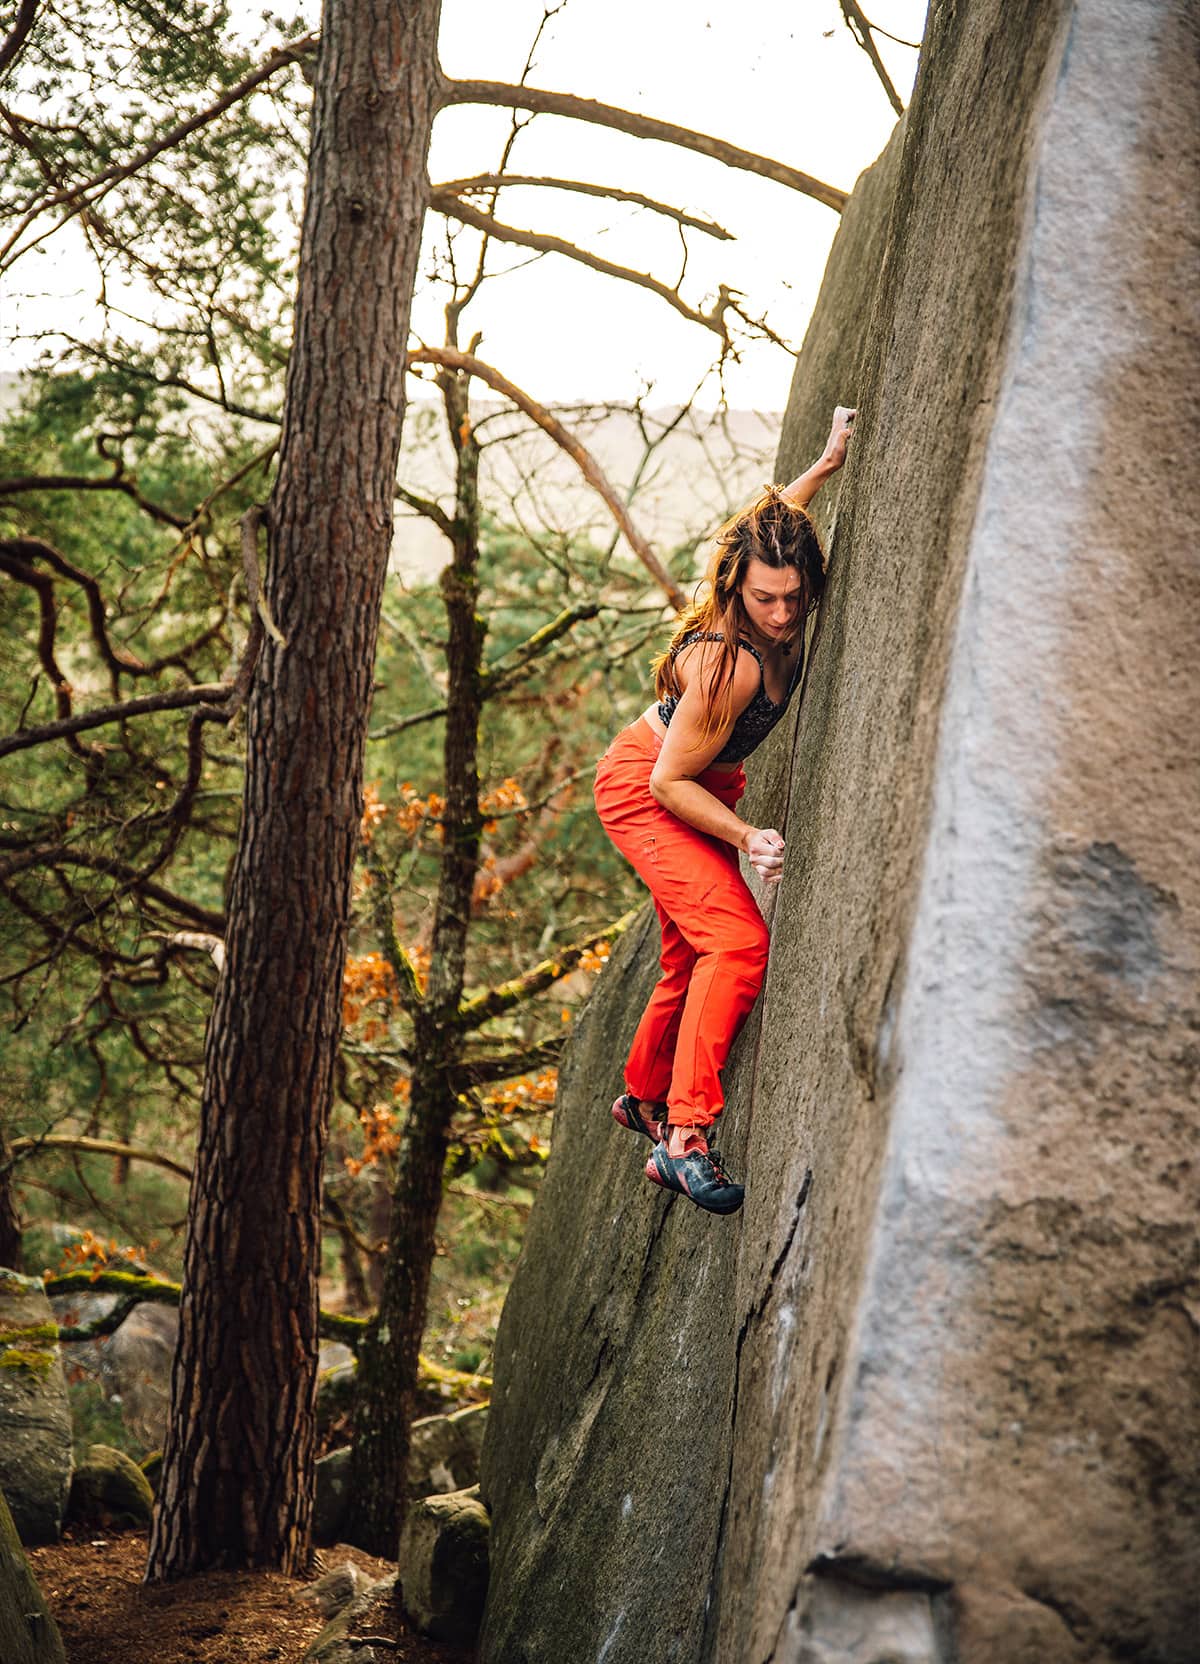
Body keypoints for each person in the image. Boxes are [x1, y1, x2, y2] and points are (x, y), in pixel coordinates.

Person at [592, 406, 856, 1215]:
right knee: (738, 944)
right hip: (652, 787)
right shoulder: (725, 661)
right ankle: (683, 1138)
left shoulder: (779, 570)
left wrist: (824, 461)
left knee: (688, 953)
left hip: (704, 783)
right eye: (765, 599)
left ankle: (641, 1094)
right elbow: (669, 785)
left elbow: (774, 527)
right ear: (737, 591)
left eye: (793, 596)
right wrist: (747, 837)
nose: (782, 613)